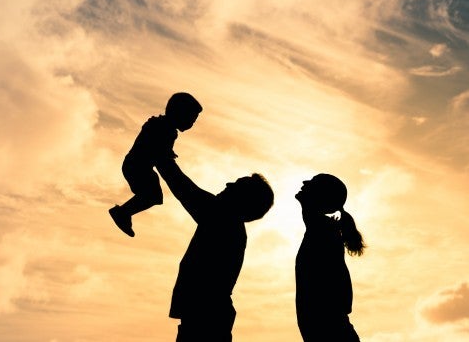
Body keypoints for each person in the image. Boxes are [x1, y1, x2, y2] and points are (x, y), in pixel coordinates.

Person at [155, 158, 274, 342]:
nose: (228, 184)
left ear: (243, 199)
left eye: (237, 185)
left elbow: (182, 186)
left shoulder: (223, 218)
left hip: (206, 317)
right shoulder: (229, 223)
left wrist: (158, 153)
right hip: (208, 315)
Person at [109, 92, 203, 237]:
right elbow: (157, 148)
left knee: (153, 196)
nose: (191, 124)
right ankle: (123, 212)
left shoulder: (165, 128)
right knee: (152, 196)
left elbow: (161, 149)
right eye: (191, 119)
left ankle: (124, 212)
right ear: (180, 113)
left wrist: (168, 153)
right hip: (137, 166)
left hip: (139, 166)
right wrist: (166, 155)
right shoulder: (162, 127)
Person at [294, 173, 365, 342]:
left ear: (320, 197)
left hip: (331, 331)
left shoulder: (321, 232)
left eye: (313, 182)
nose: (305, 181)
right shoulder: (324, 231)